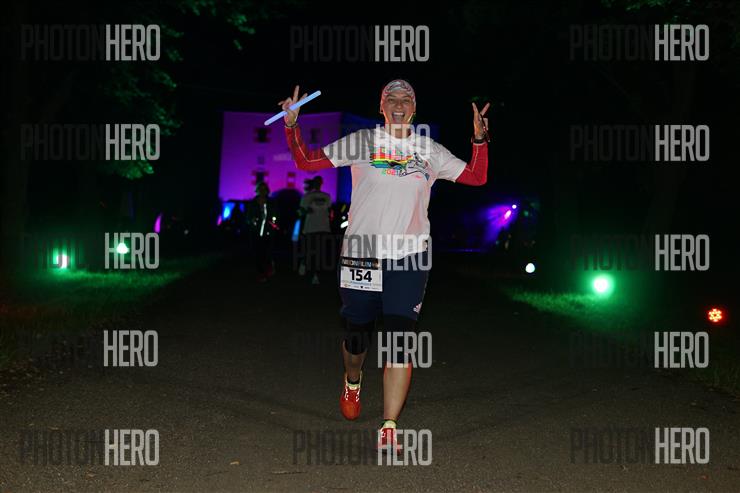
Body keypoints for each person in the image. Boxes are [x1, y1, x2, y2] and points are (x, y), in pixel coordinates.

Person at [280, 80, 489, 452]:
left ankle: (389, 425)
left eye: (406, 99)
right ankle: (352, 380)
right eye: (391, 98)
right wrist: (292, 125)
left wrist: (479, 140)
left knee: (399, 341)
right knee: (357, 337)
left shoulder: (429, 150)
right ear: (381, 106)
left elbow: (476, 176)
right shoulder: (362, 141)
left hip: (410, 254)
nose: (398, 104)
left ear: (414, 107)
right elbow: (306, 161)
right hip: (362, 251)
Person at [298, 176, 332, 284]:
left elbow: (330, 210)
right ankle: (304, 262)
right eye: (316, 182)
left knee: (320, 252)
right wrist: (305, 211)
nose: (318, 184)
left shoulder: (327, 196)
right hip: (310, 228)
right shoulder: (307, 196)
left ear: (321, 183)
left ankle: (316, 275)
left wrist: (330, 218)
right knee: (310, 250)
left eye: (319, 182)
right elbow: (300, 211)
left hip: (323, 228)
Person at [246, 182, 278, 282]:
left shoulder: (271, 202)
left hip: (268, 232)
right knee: (257, 253)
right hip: (255, 232)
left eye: (264, 189)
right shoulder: (253, 203)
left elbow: (275, 215)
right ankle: (261, 273)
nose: (262, 191)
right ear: (257, 190)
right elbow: (248, 216)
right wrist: (252, 221)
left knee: (267, 252)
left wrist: (273, 223)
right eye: (260, 189)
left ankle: (269, 266)